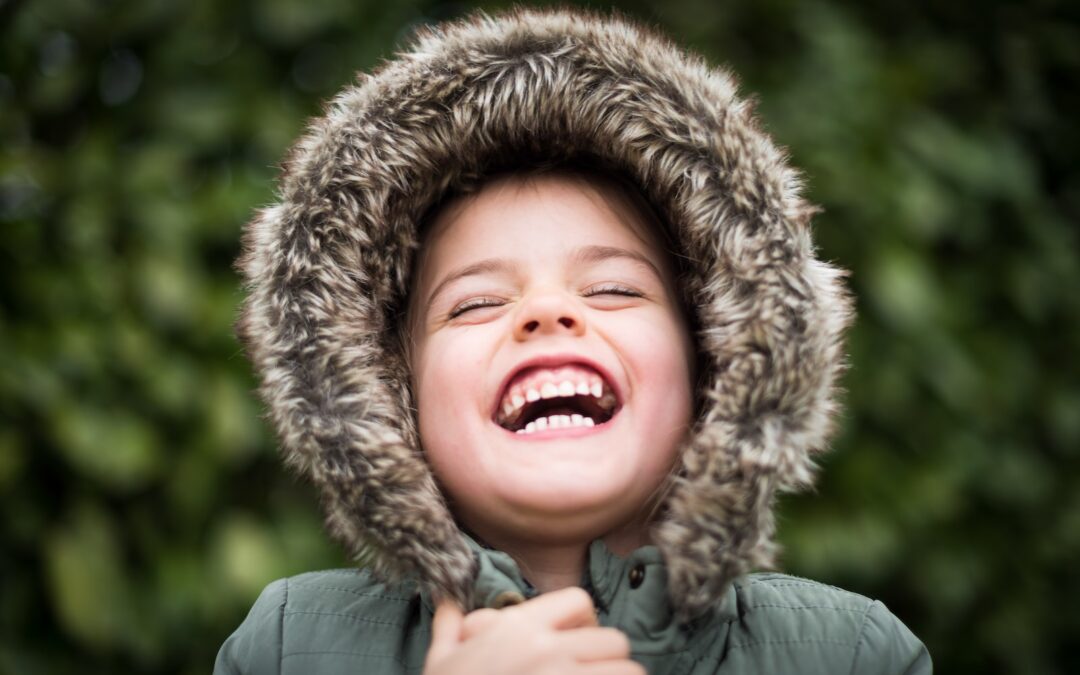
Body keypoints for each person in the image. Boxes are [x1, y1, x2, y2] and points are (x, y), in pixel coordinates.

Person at [214, 6, 932, 674]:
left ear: (715, 366)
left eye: (615, 288)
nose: (547, 312)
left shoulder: (853, 651)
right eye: (478, 302)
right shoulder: (288, 643)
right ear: (388, 393)